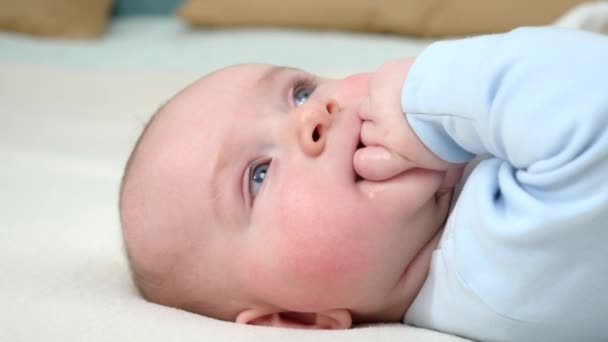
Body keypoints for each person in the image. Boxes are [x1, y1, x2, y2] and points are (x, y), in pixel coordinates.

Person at [119, 26, 608, 341]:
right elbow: (592, 105)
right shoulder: (501, 265)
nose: (314, 115)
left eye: (300, 92)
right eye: (258, 175)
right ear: (298, 320)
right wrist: (423, 95)